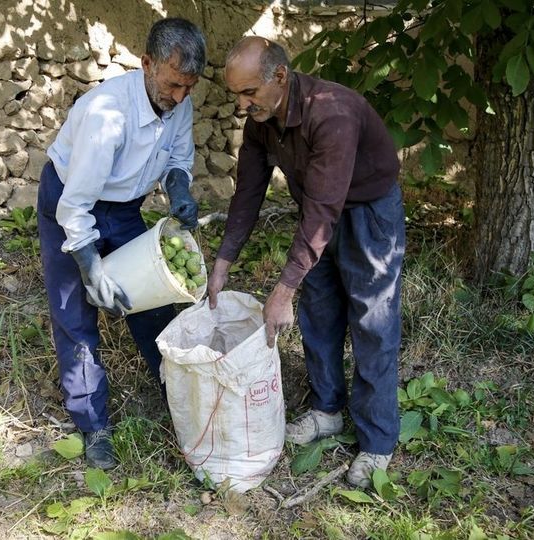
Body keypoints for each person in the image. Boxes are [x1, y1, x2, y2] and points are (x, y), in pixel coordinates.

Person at [207, 37, 406, 488]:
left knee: (372, 322)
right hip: (320, 211)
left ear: (279, 76)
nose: (241, 105)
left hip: (369, 213)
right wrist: (223, 260)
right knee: (318, 312)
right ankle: (327, 411)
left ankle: (377, 443)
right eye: (235, 94)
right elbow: (248, 190)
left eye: (248, 92)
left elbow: (323, 211)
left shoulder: (331, 113)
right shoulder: (263, 118)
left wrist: (281, 291)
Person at [37, 18, 206, 470]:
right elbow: (74, 208)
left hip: (126, 207)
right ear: (147, 63)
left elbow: (177, 158)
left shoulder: (178, 100)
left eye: (189, 87)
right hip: (71, 201)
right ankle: (93, 426)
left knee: (152, 301)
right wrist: (91, 266)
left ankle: (179, 399)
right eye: (173, 85)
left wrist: (181, 191)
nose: (180, 98)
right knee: (77, 314)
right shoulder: (107, 113)